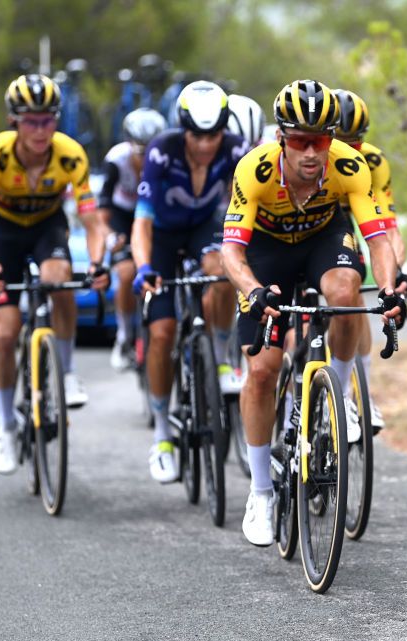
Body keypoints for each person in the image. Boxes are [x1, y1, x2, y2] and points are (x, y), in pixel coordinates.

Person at [220, 79, 404, 547]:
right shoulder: (254, 170)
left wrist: (388, 288)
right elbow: (231, 254)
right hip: (267, 250)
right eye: (300, 141)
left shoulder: (348, 164)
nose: (310, 152)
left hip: (323, 239)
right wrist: (255, 291)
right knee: (262, 370)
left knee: (346, 292)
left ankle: (338, 392)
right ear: (281, 137)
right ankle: (261, 491)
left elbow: (378, 237)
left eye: (319, 141)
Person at [0, 74, 110, 474]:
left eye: (47, 120)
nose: (40, 130)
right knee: (4, 332)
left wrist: (97, 263)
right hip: (5, 233)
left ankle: (66, 372)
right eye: (30, 121)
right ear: (14, 121)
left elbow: (93, 223)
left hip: (48, 228)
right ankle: (6, 424)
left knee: (59, 276)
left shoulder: (70, 155)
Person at [130, 80, 248, 484]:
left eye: (213, 134)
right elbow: (141, 221)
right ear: (183, 130)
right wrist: (144, 267)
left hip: (202, 229)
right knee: (161, 333)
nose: (204, 144)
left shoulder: (235, 148)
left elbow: (244, 208)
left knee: (221, 268)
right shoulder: (162, 149)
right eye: (196, 135)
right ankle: (162, 435)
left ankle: (218, 355)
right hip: (162, 237)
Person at [333, 88, 407, 433]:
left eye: (356, 140)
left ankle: (358, 392)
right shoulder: (316, 157)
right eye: (340, 139)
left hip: (355, 221)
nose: (348, 149)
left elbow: (388, 230)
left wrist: (394, 275)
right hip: (320, 223)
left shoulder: (373, 161)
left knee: (358, 290)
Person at [97, 107, 167, 370]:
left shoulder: (168, 158)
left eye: (152, 151)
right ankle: (124, 335)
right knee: (126, 273)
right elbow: (101, 215)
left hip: (153, 216)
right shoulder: (116, 161)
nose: (147, 159)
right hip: (122, 217)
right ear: (128, 145)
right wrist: (111, 236)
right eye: (141, 152)